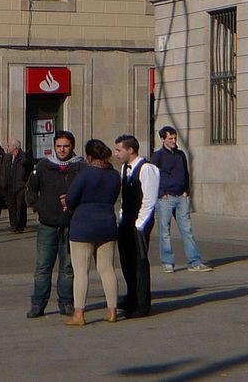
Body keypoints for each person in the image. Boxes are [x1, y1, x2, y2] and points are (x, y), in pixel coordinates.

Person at [63, 138, 122, 326]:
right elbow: (113, 198)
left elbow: (71, 198)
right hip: (107, 223)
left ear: (89, 156)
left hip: (83, 224)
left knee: (81, 272)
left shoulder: (85, 173)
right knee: (107, 269)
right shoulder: (114, 175)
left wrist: (68, 203)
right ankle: (112, 310)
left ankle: (79, 314)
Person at [23, 130, 81, 318]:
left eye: (66, 146)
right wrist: (38, 206)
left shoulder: (80, 167)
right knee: (43, 266)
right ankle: (38, 304)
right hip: (47, 224)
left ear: (72, 146)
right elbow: (30, 190)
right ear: (54, 147)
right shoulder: (43, 166)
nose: (62, 150)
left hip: (71, 224)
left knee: (68, 267)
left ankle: (66, 302)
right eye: (59, 146)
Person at [151, 126, 210, 272]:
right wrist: (161, 193)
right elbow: (152, 176)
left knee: (187, 230)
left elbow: (186, 173)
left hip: (181, 197)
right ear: (163, 139)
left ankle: (194, 261)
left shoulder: (180, 154)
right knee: (165, 231)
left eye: (174, 138)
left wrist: (187, 190)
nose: (173, 141)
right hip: (165, 198)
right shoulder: (157, 156)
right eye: (170, 138)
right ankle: (167, 262)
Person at [115, 134, 159, 318]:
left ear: (130, 150)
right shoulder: (125, 167)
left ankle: (142, 304)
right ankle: (131, 296)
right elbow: (125, 197)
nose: (116, 153)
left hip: (139, 222)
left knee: (139, 261)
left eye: (119, 150)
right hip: (127, 220)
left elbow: (149, 198)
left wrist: (140, 224)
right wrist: (123, 216)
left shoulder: (147, 168)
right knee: (127, 260)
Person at [0, 137, 34, 233]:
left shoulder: (24, 158)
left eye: (9, 146)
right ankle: (13, 225)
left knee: (20, 207)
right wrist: (3, 183)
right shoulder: (7, 157)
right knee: (11, 207)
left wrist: (25, 183)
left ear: (15, 147)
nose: (7, 147)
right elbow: (3, 171)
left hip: (20, 186)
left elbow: (28, 172)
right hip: (9, 186)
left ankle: (20, 226)